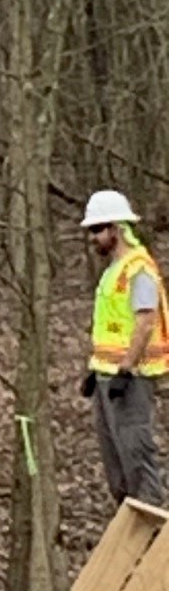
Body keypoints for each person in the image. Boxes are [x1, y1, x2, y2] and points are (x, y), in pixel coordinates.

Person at [79, 190, 169, 507]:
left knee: (136, 457)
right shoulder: (111, 273)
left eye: (97, 230)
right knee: (115, 466)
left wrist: (126, 368)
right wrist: (95, 368)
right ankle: (127, 534)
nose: (92, 238)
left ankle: (153, 537)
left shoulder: (138, 269)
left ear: (115, 229)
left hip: (131, 379)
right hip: (108, 377)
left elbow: (145, 322)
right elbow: (112, 329)